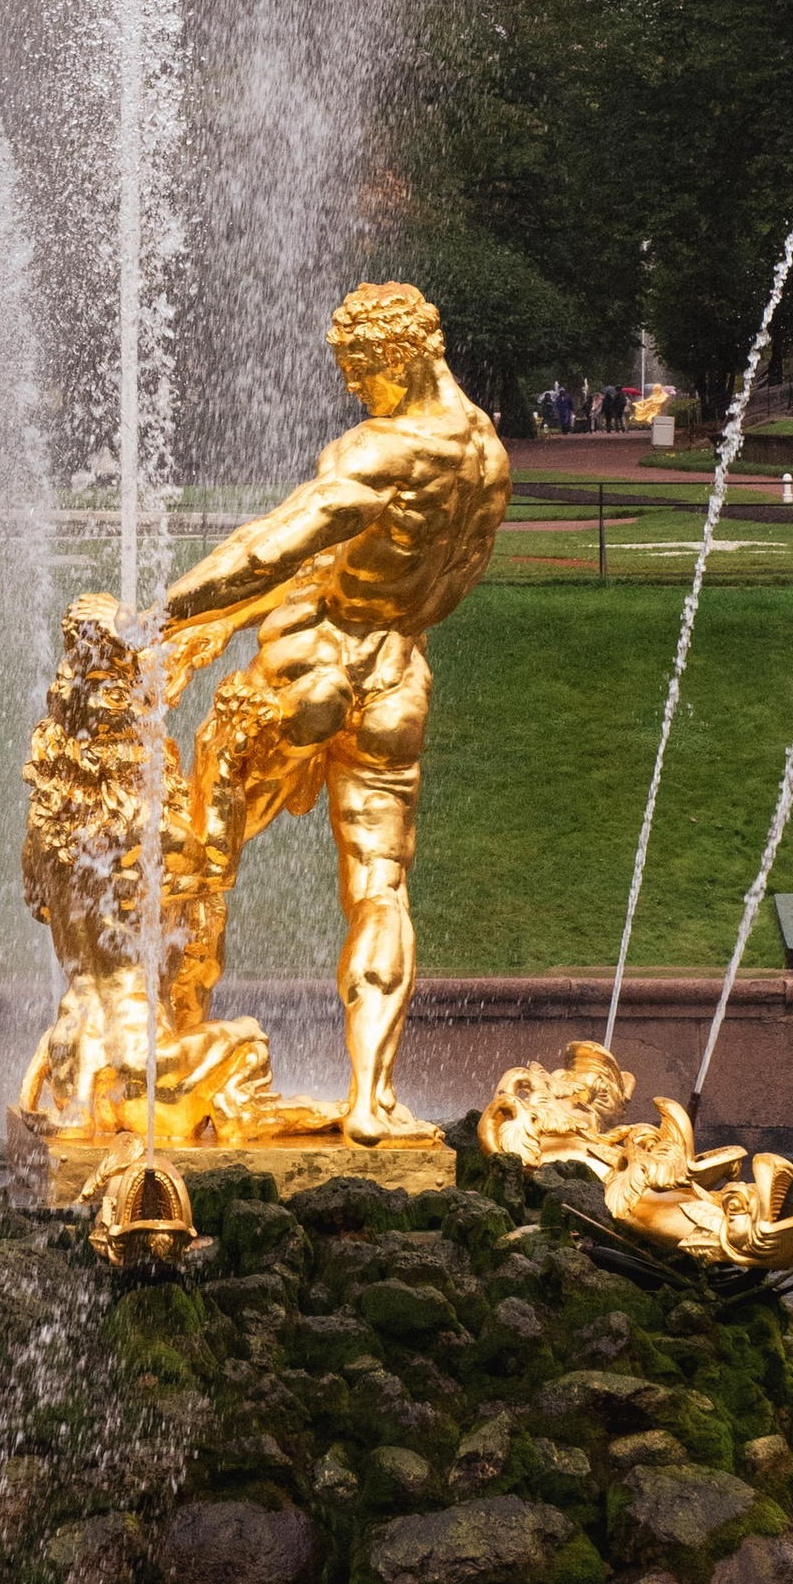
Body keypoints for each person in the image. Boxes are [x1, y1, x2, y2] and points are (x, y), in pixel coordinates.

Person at [146, 279, 511, 1139]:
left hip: (309, 672)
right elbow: (394, 577)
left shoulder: (381, 451)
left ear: (396, 355)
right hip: (397, 684)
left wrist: (160, 615)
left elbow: (270, 550)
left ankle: (166, 1054)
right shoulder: (488, 458)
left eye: (358, 369)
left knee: (200, 850)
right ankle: (369, 1099)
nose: (353, 387)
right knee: (380, 888)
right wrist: (222, 624)